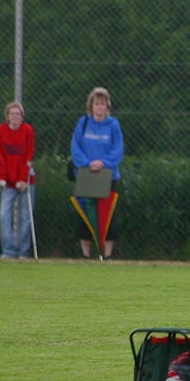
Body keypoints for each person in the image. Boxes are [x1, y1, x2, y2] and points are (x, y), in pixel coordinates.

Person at [71, 86, 125, 258]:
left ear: (107, 106)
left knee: (107, 214)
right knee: (85, 213)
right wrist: (88, 163)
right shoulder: (83, 123)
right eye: (96, 104)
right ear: (91, 106)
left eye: (103, 104)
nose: (99, 107)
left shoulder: (113, 125)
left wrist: (104, 163)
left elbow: (118, 149)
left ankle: (107, 255)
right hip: (86, 174)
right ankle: (86, 254)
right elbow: (75, 146)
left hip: (107, 175)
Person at [0, 101, 35, 259]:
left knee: (26, 216)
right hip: (8, 181)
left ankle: (23, 252)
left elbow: (28, 155)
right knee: (4, 214)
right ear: (7, 117)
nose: (15, 117)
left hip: (26, 180)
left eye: (18, 114)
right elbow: (1, 155)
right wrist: (2, 177)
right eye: (12, 114)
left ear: (22, 117)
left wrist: (23, 179)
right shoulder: (1, 131)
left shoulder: (27, 130)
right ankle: (9, 251)